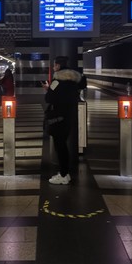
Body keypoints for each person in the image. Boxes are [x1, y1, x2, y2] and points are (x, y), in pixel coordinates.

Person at [43, 56, 86, 185]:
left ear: (58, 66)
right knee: (63, 145)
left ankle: (63, 175)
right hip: (69, 116)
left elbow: (49, 98)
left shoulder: (57, 81)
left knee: (60, 146)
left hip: (59, 118)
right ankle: (65, 173)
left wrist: (48, 89)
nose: (53, 67)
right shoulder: (74, 80)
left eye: (54, 65)